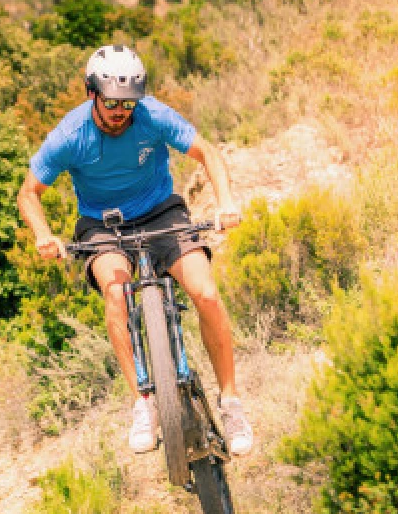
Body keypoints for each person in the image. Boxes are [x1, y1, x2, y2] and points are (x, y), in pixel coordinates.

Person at [16, 44, 254, 456]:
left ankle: (231, 402)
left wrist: (226, 202)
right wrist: (43, 233)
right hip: (103, 225)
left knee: (207, 293)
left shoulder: (153, 116)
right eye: (111, 101)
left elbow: (208, 153)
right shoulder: (71, 134)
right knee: (115, 292)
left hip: (162, 213)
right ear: (91, 93)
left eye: (129, 102)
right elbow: (28, 193)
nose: (121, 111)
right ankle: (142, 404)